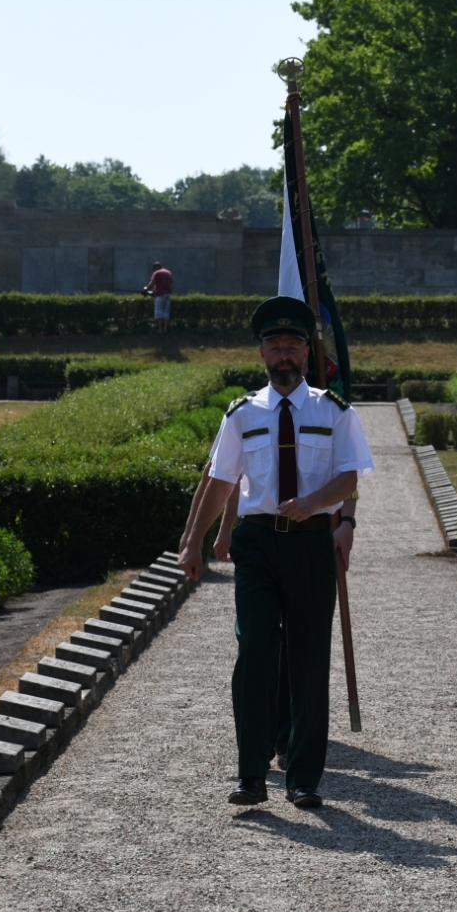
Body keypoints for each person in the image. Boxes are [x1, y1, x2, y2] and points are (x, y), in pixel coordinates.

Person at [177, 296, 373, 809]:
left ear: (308, 354)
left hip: (309, 545)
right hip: (258, 545)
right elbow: (221, 481)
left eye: (292, 346)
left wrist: (315, 506)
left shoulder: (335, 412)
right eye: (274, 346)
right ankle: (251, 774)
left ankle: (304, 777)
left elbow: (350, 477)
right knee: (255, 655)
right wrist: (195, 539)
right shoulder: (243, 414)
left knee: (308, 660)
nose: (283, 356)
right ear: (262, 355)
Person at [144, 261, 174, 334]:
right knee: (166, 312)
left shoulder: (157, 273)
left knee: (159, 312)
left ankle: (160, 330)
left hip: (160, 294)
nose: (154, 270)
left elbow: (152, 284)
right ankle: (165, 330)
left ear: (157, 267)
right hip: (168, 294)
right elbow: (172, 285)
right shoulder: (168, 272)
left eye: (154, 269)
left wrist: (145, 288)